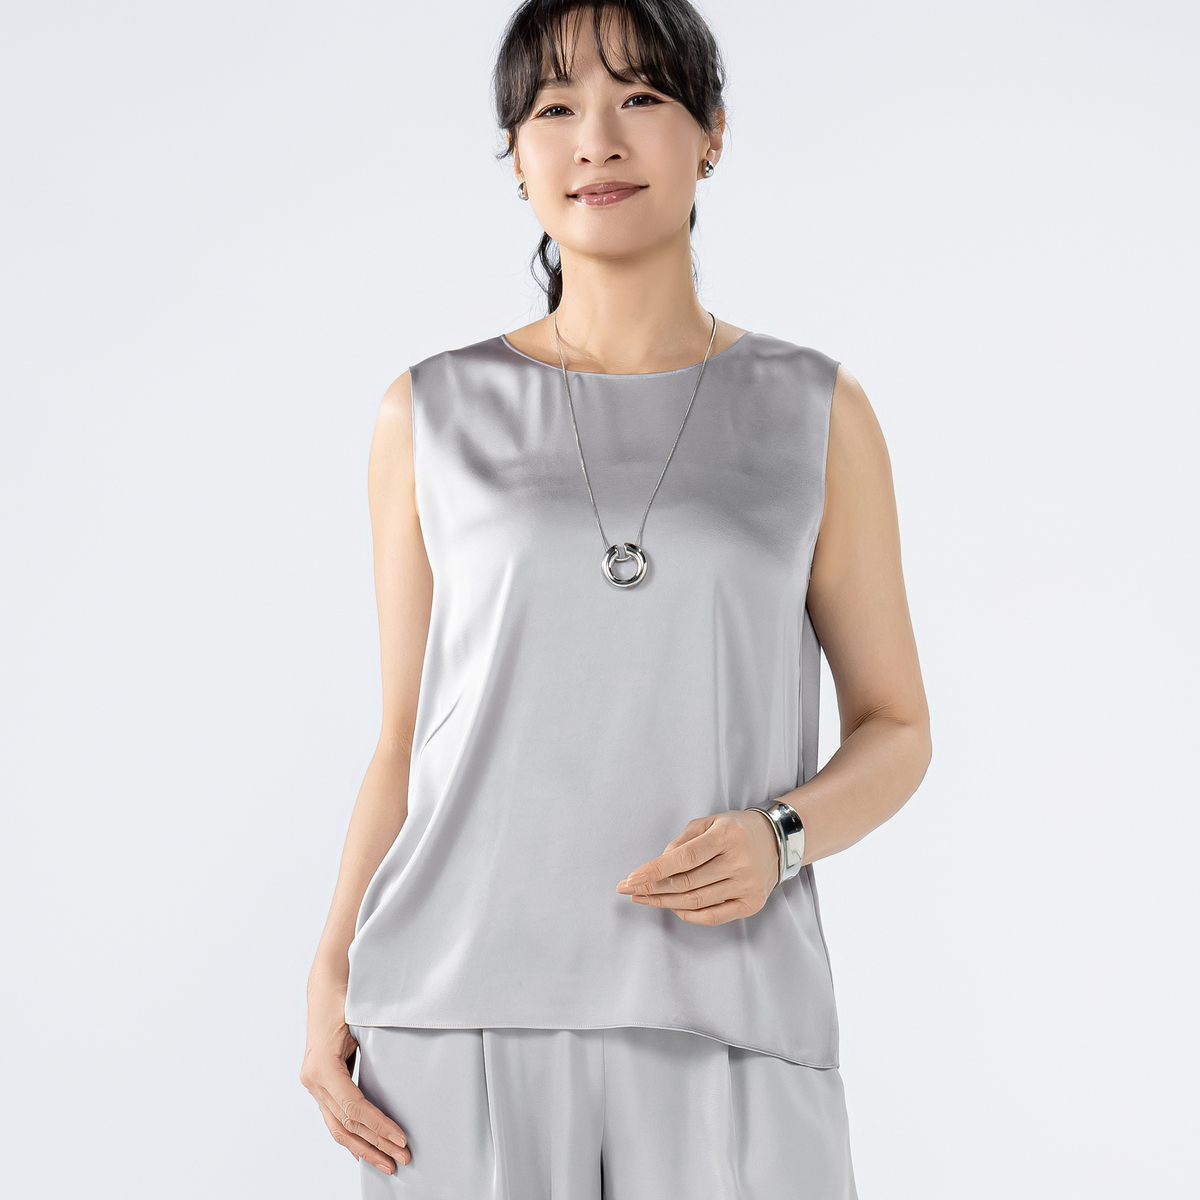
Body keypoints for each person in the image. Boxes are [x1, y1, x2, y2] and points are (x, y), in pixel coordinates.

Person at [300, 1, 932, 1196]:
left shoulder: (816, 410)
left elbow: (899, 726)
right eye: (555, 108)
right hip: (453, 1010)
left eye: (640, 96)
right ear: (516, 154)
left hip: (731, 1007)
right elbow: (403, 741)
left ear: (713, 134)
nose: (597, 138)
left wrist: (782, 837)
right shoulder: (429, 413)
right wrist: (332, 966)